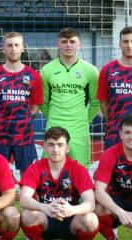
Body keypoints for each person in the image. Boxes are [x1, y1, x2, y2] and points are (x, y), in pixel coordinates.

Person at [19, 127, 99, 240]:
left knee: (91, 219)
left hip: (71, 221)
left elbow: (90, 203)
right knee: (27, 215)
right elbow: (24, 199)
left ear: (67, 148)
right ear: (44, 146)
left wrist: (71, 210)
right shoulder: (36, 168)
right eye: (51, 145)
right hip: (46, 219)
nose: (55, 149)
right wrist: (45, 207)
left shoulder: (77, 169)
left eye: (60, 145)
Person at [0, 32, 43, 174]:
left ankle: (26, 197)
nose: (13, 48)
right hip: (0, 133)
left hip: (24, 134)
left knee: (28, 174)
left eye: (17, 45)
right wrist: (2, 121)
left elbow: (35, 107)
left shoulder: (33, 76)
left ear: (23, 48)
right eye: (9, 45)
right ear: (3, 49)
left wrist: (22, 121)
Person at [40, 28, 100, 166]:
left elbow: (96, 103)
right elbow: (43, 102)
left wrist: (83, 119)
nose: (68, 45)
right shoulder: (47, 70)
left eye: (72, 42)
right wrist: (54, 116)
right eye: (64, 41)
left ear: (79, 45)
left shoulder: (90, 70)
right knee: (48, 169)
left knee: (80, 170)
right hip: (54, 124)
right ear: (58, 44)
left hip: (79, 128)